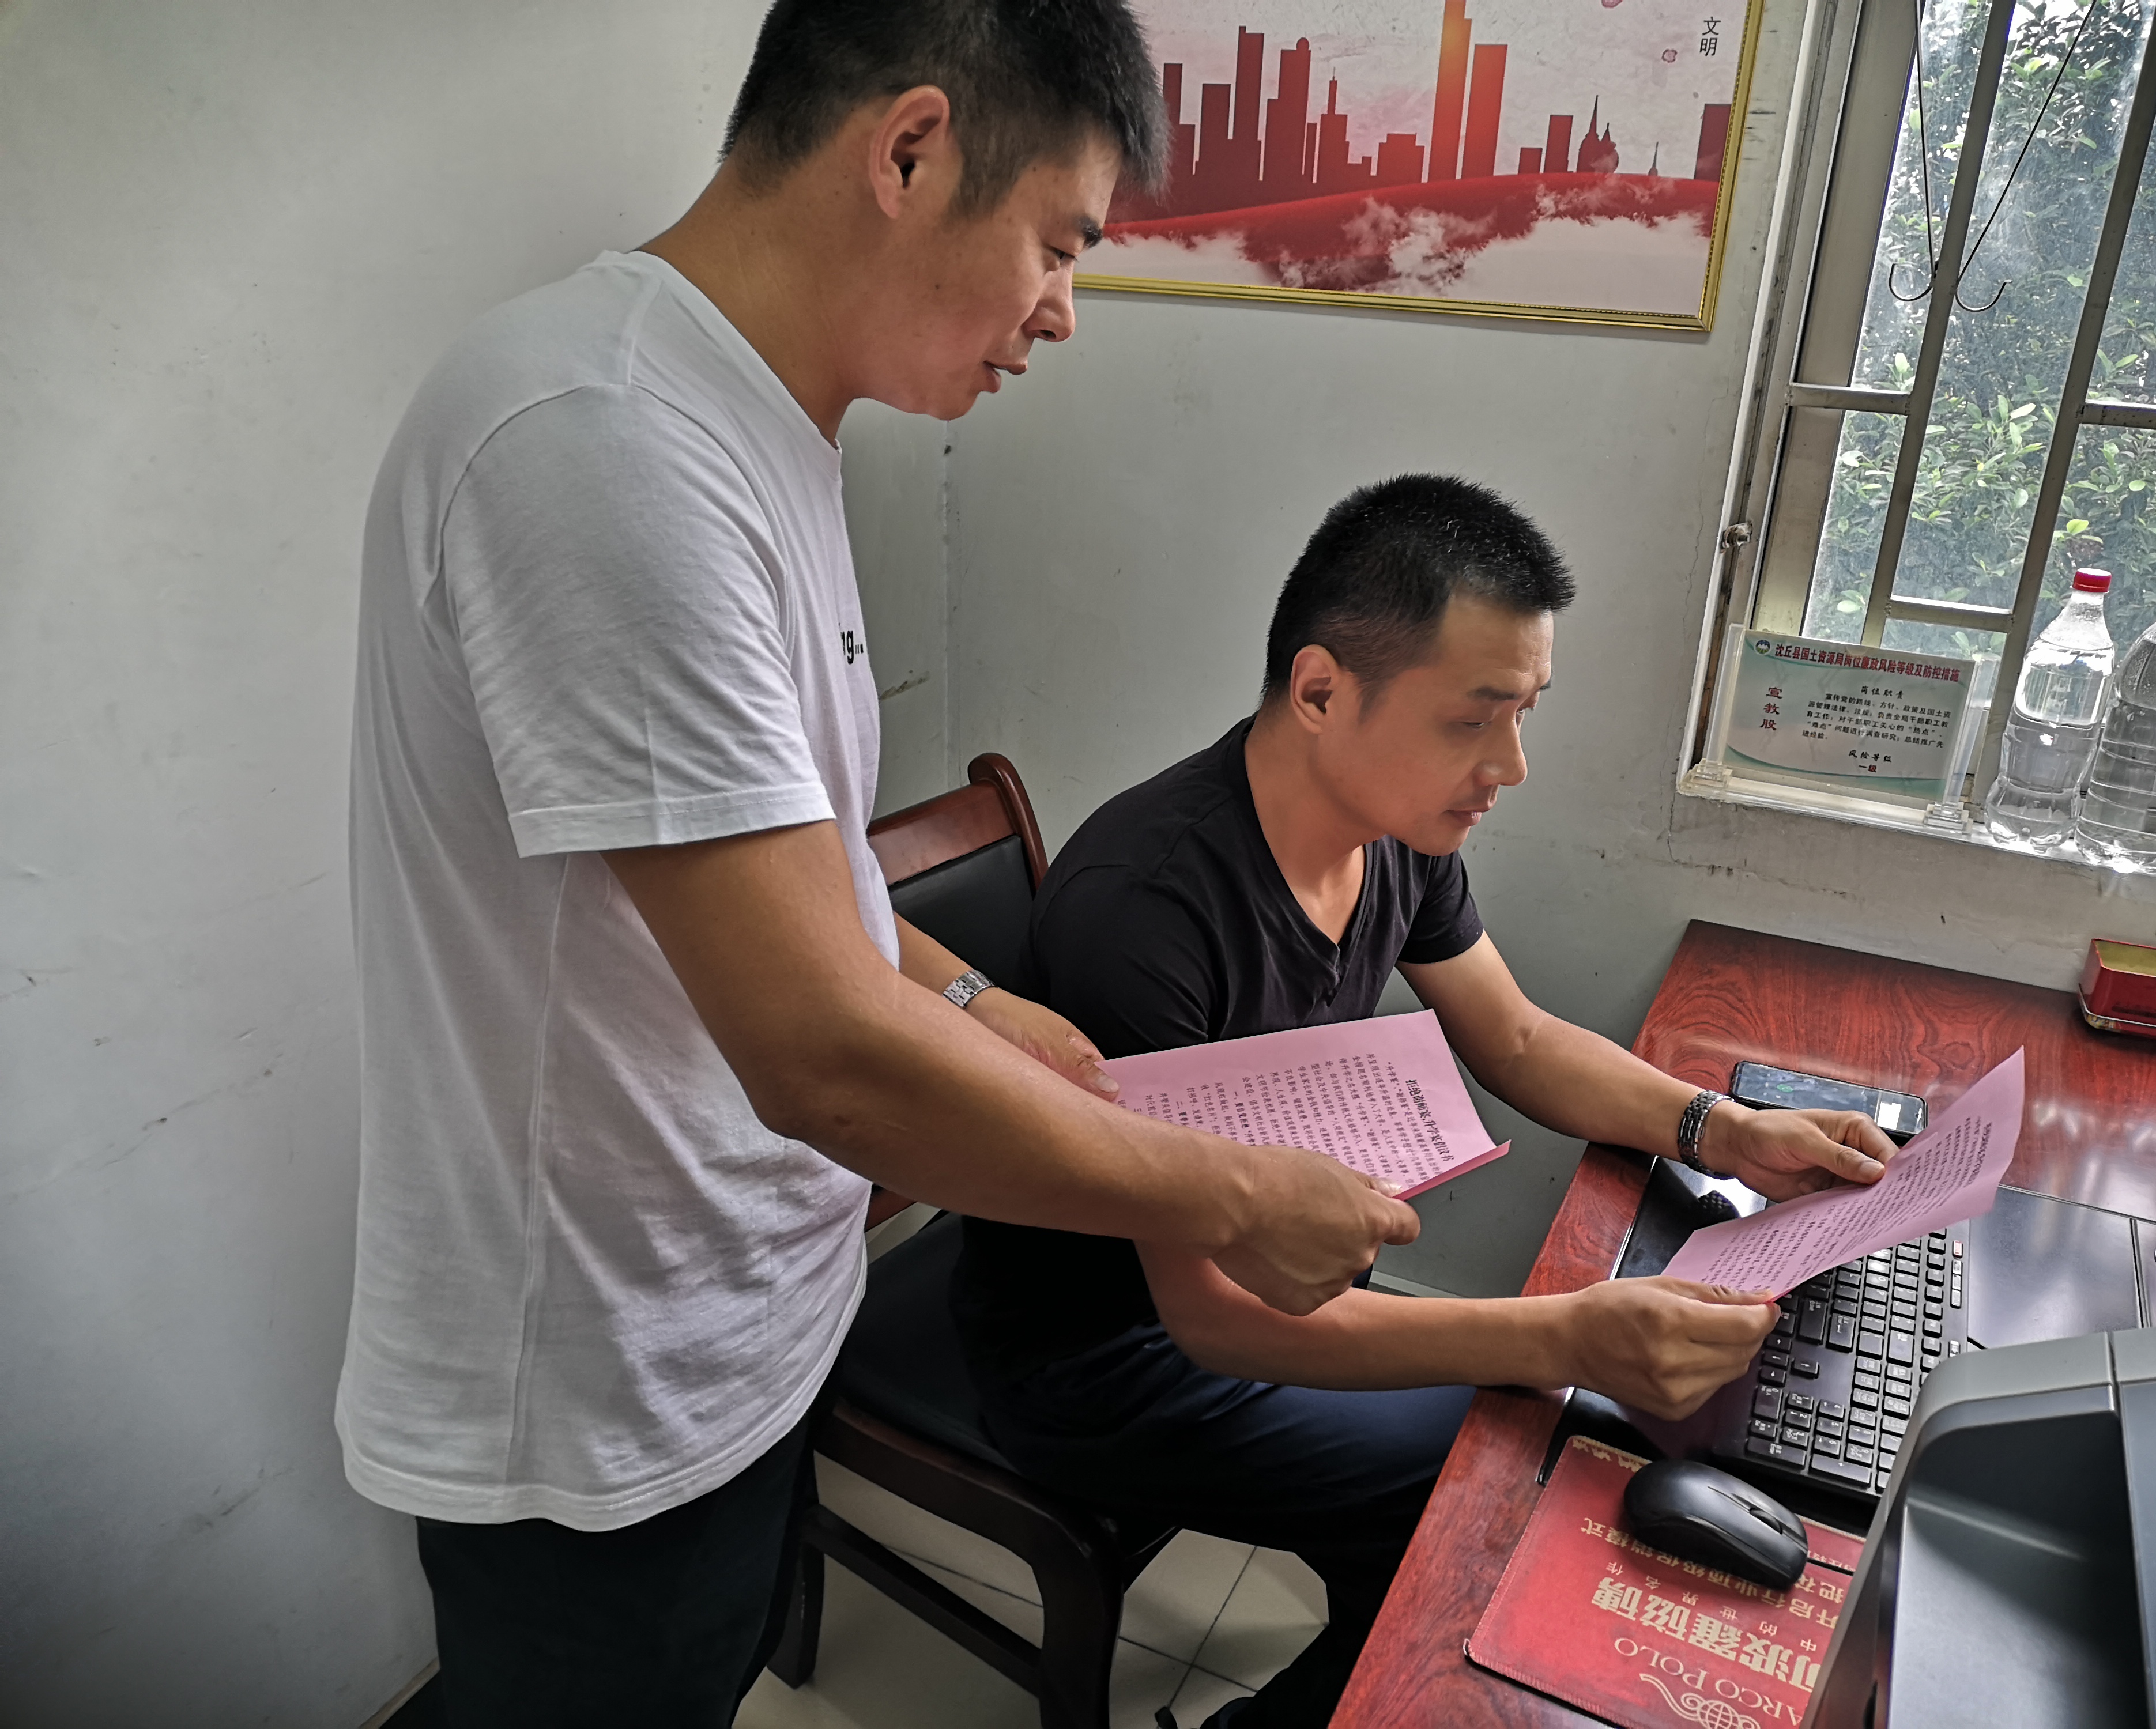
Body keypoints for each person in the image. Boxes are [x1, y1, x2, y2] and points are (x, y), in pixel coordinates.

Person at [336, 5, 1421, 1723]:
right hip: (606, 1393)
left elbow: (805, 873)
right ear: (910, 151)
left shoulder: (756, 429)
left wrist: (979, 1001)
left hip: (750, 1322)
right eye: (1060, 243)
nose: (1063, 310)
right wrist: (1226, 1196)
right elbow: (820, 1052)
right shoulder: (604, 443)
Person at [952, 475, 1898, 1729]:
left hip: (1279, 1288)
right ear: (1319, 691)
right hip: (1103, 1354)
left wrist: (1724, 1129)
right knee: (1484, 1495)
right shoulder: (1147, 913)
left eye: (1524, 713)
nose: (1510, 766)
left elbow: (1515, 1036)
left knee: (1513, 1460)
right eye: (1473, 720)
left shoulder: (1393, 829)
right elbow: (1217, 1317)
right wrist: (1560, 1335)